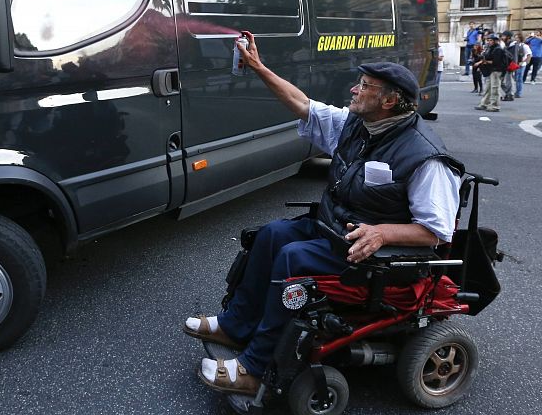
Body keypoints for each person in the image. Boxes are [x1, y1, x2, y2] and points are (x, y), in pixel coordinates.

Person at [183, 31, 463, 395]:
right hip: (335, 231)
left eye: (365, 86)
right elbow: (302, 104)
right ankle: (235, 326)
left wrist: (382, 233)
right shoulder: (358, 125)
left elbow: (437, 231)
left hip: (373, 255)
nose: (354, 90)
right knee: (270, 235)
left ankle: (255, 368)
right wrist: (257, 67)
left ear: (390, 100)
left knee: (293, 257)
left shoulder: (425, 157)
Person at [475, 34, 507, 112]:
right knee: (488, 88)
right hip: (490, 70)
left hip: (496, 70)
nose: (489, 42)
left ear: (495, 41)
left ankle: (495, 106)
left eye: (491, 40)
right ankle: (485, 103)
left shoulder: (498, 49)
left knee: (495, 88)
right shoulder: (489, 48)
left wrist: (485, 62)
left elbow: (496, 62)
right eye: (488, 40)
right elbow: (486, 57)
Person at [512, 33, 531, 98]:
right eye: (515, 37)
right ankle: (515, 91)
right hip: (514, 64)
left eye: (517, 38)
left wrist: (524, 62)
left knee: (519, 78)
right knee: (515, 78)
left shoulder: (525, 46)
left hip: (521, 64)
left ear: (521, 39)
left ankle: (518, 93)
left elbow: (529, 55)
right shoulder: (513, 44)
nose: (516, 39)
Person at [500, 31, 515, 101]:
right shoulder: (506, 44)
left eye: (504, 36)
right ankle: (508, 93)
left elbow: (513, 56)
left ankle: (510, 95)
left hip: (509, 65)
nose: (502, 37)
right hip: (504, 65)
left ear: (508, 37)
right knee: (502, 81)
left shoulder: (513, 45)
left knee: (509, 81)